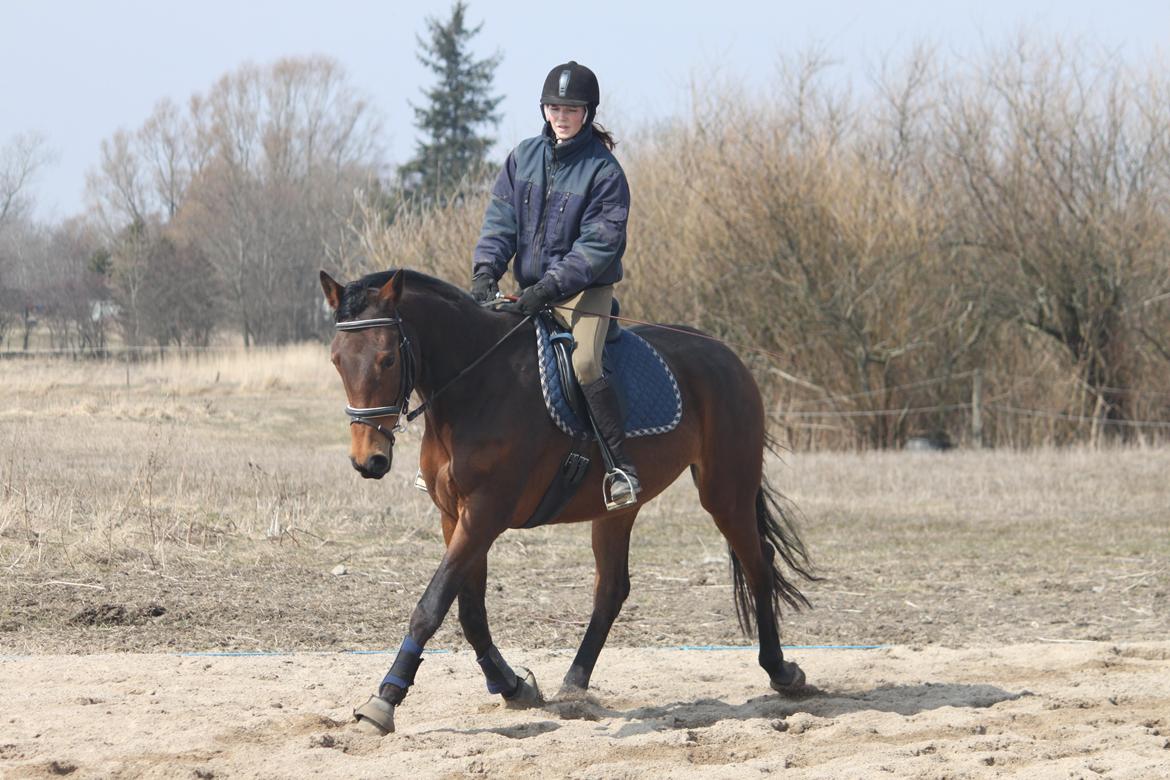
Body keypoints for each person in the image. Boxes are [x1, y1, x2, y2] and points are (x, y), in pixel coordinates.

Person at [470, 60, 640, 507]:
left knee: (584, 363)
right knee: (474, 341)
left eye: (571, 109)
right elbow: (500, 222)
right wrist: (485, 271)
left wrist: (547, 288)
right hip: (529, 288)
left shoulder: (605, 172)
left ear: (588, 113)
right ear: (544, 109)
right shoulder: (522, 157)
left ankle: (620, 467)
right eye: (554, 107)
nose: (561, 116)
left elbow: (597, 247)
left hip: (583, 290)